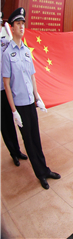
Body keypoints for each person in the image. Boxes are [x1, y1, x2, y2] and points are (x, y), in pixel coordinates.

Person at [2, 7, 60, 189]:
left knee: (36, 138)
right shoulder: (7, 54)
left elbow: (32, 76)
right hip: (19, 105)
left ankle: (45, 169)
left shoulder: (27, 51)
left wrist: (38, 97)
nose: (21, 26)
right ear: (12, 27)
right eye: (18, 24)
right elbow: (6, 84)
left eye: (23, 23)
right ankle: (40, 174)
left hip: (30, 102)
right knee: (28, 141)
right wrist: (13, 111)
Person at [1, 17, 28, 167]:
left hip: (9, 88)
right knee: (4, 124)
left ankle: (18, 150)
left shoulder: (5, 42)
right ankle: (13, 153)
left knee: (15, 120)